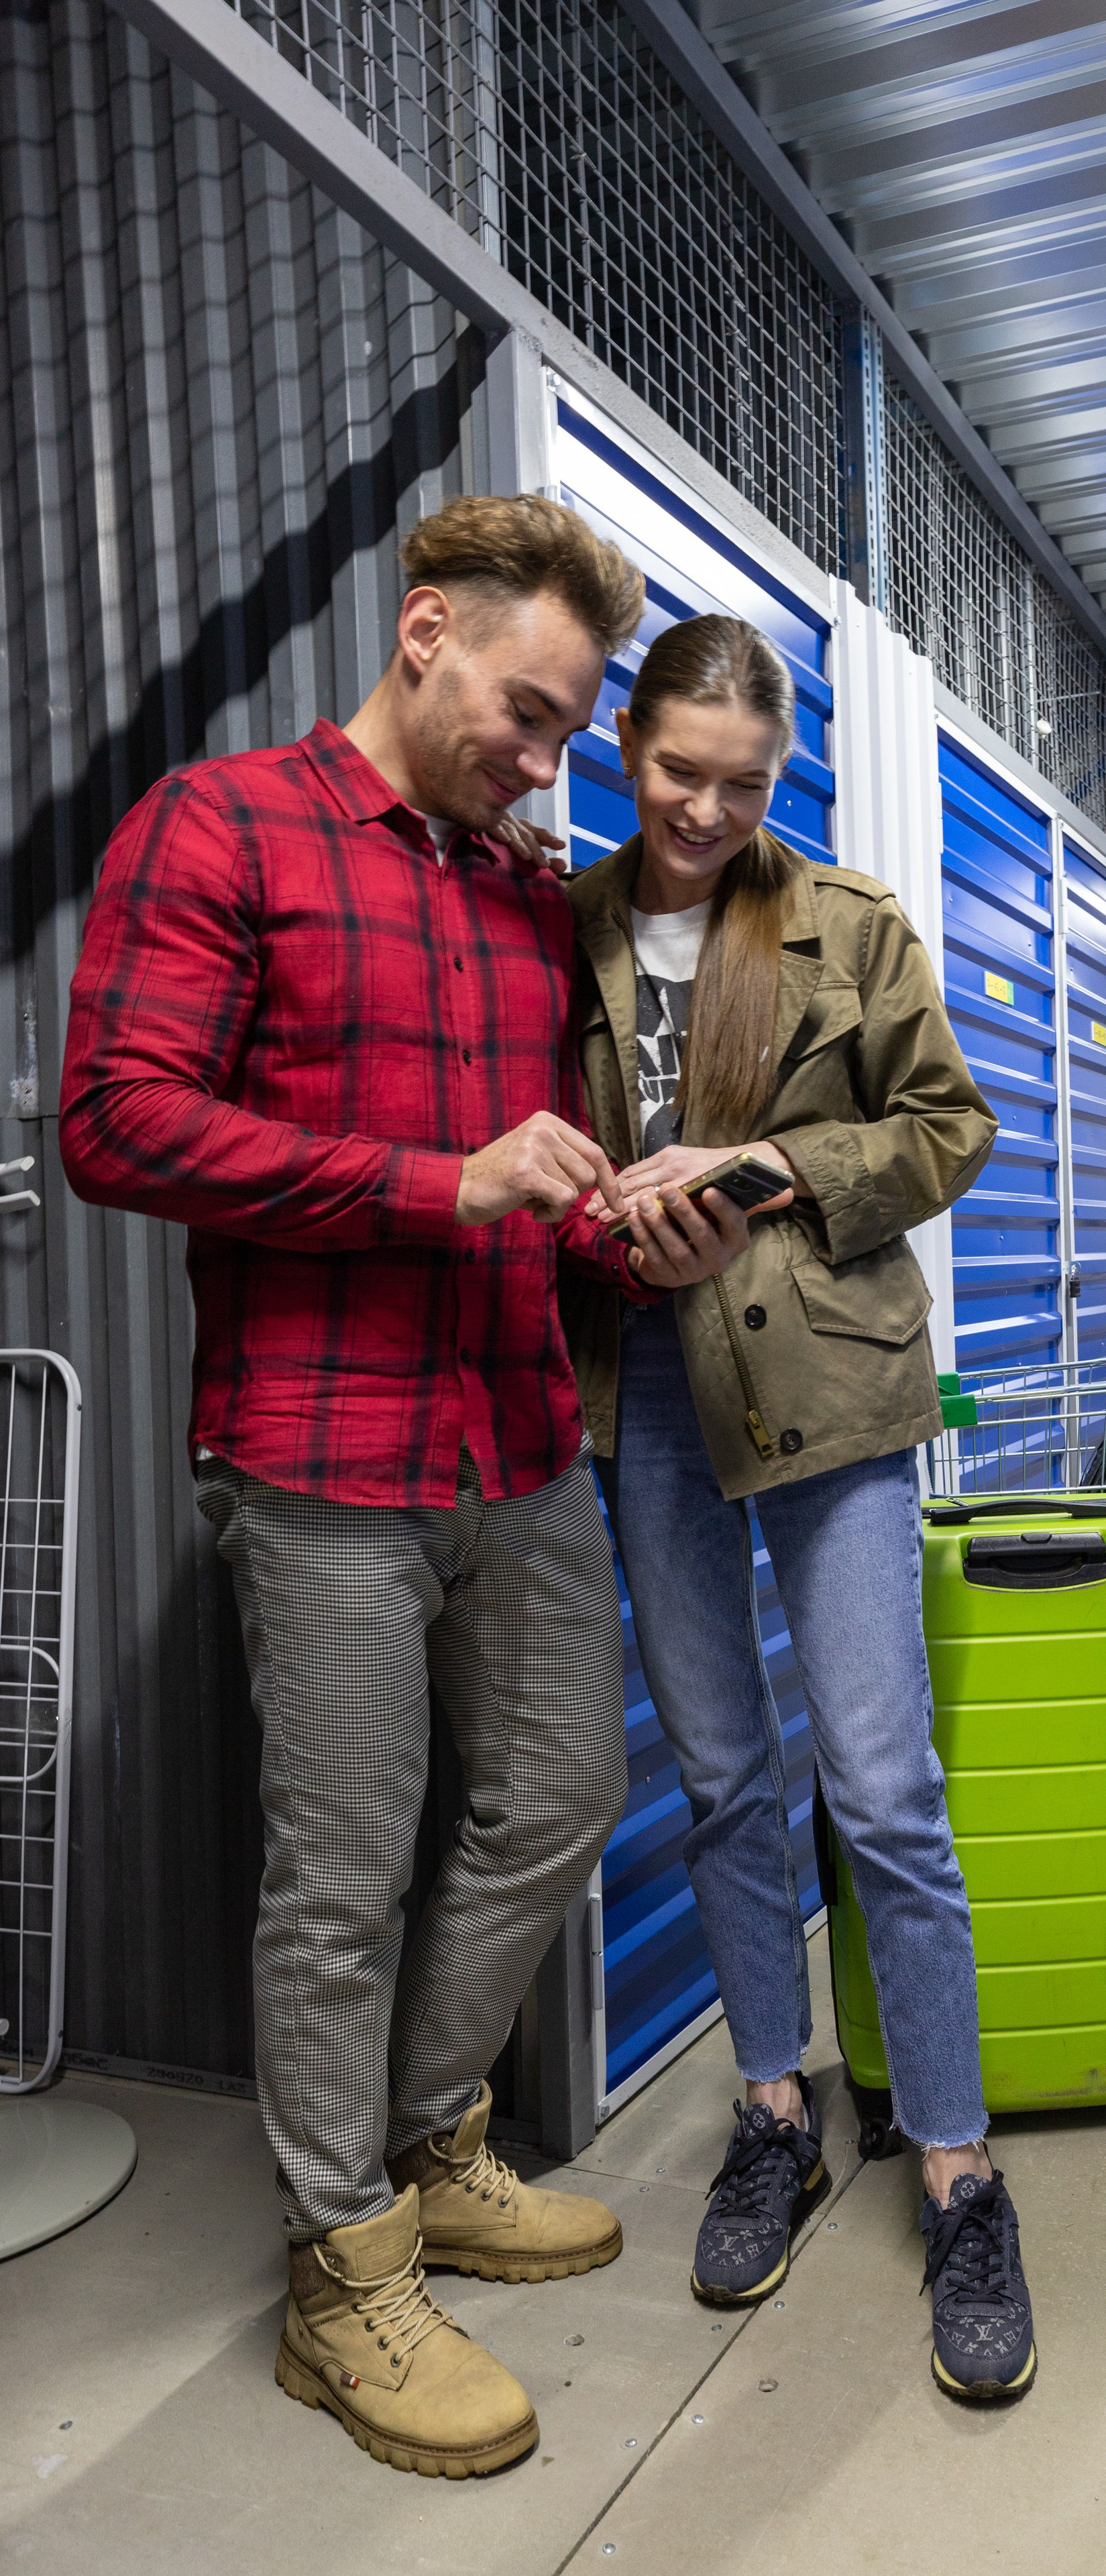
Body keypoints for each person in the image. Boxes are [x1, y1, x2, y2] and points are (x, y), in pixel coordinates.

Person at [58, 496, 751, 2480]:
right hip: (319, 1448)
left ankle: (428, 2138)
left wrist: (634, 1226)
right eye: (529, 716)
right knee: (342, 1869)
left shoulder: (525, 897)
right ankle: (341, 2269)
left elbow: (536, 1182)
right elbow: (117, 1115)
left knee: (560, 1794)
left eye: (569, 733)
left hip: (513, 1433)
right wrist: (433, 1183)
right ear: (425, 629)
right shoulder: (221, 829)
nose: (547, 764)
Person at [562, 612, 1039, 2404]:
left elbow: (948, 1127)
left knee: (884, 1787)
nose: (705, 809)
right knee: (719, 1779)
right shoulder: (563, 928)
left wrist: (762, 1166)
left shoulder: (851, 922)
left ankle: (959, 2166)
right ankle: (775, 2108)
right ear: (629, 745)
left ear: (782, 777)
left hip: (830, 1391)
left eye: (744, 784)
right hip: (650, 1395)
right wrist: (608, 1223)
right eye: (679, 772)